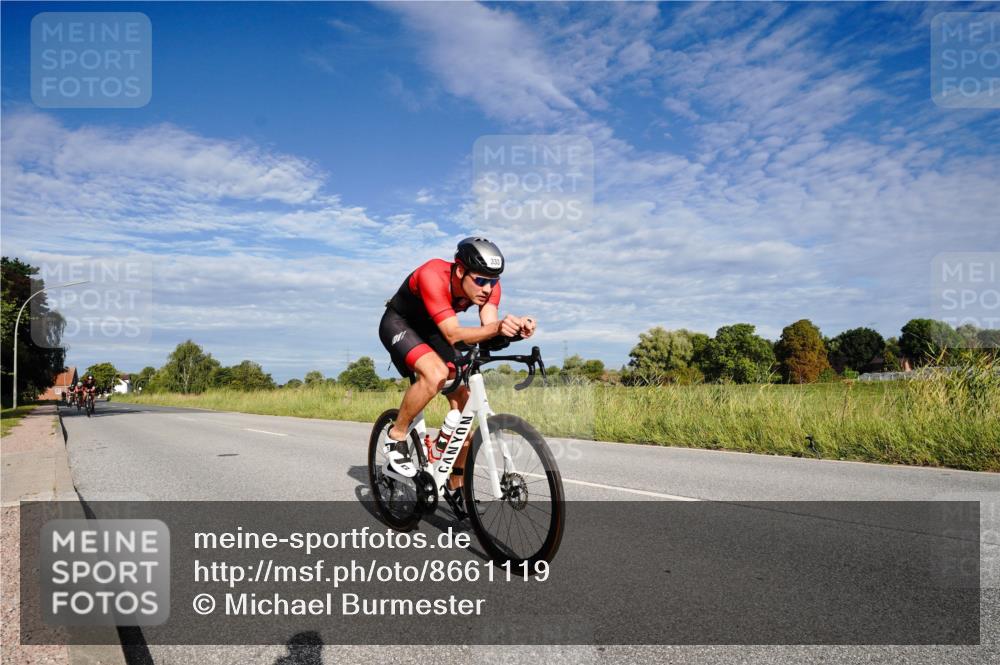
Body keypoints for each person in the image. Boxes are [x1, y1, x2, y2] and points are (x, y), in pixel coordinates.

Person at [378, 237, 536, 480]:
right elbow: (453, 334)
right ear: (460, 271)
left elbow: (489, 327)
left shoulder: (488, 287)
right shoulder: (432, 274)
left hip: (435, 330)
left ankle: (455, 480)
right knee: (436, 374)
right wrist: (497, 328)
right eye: (480, 281)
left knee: (465, 401)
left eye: (493, 281)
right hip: (401, 323)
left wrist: (514, 330)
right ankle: (396, 436)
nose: (487, 288)